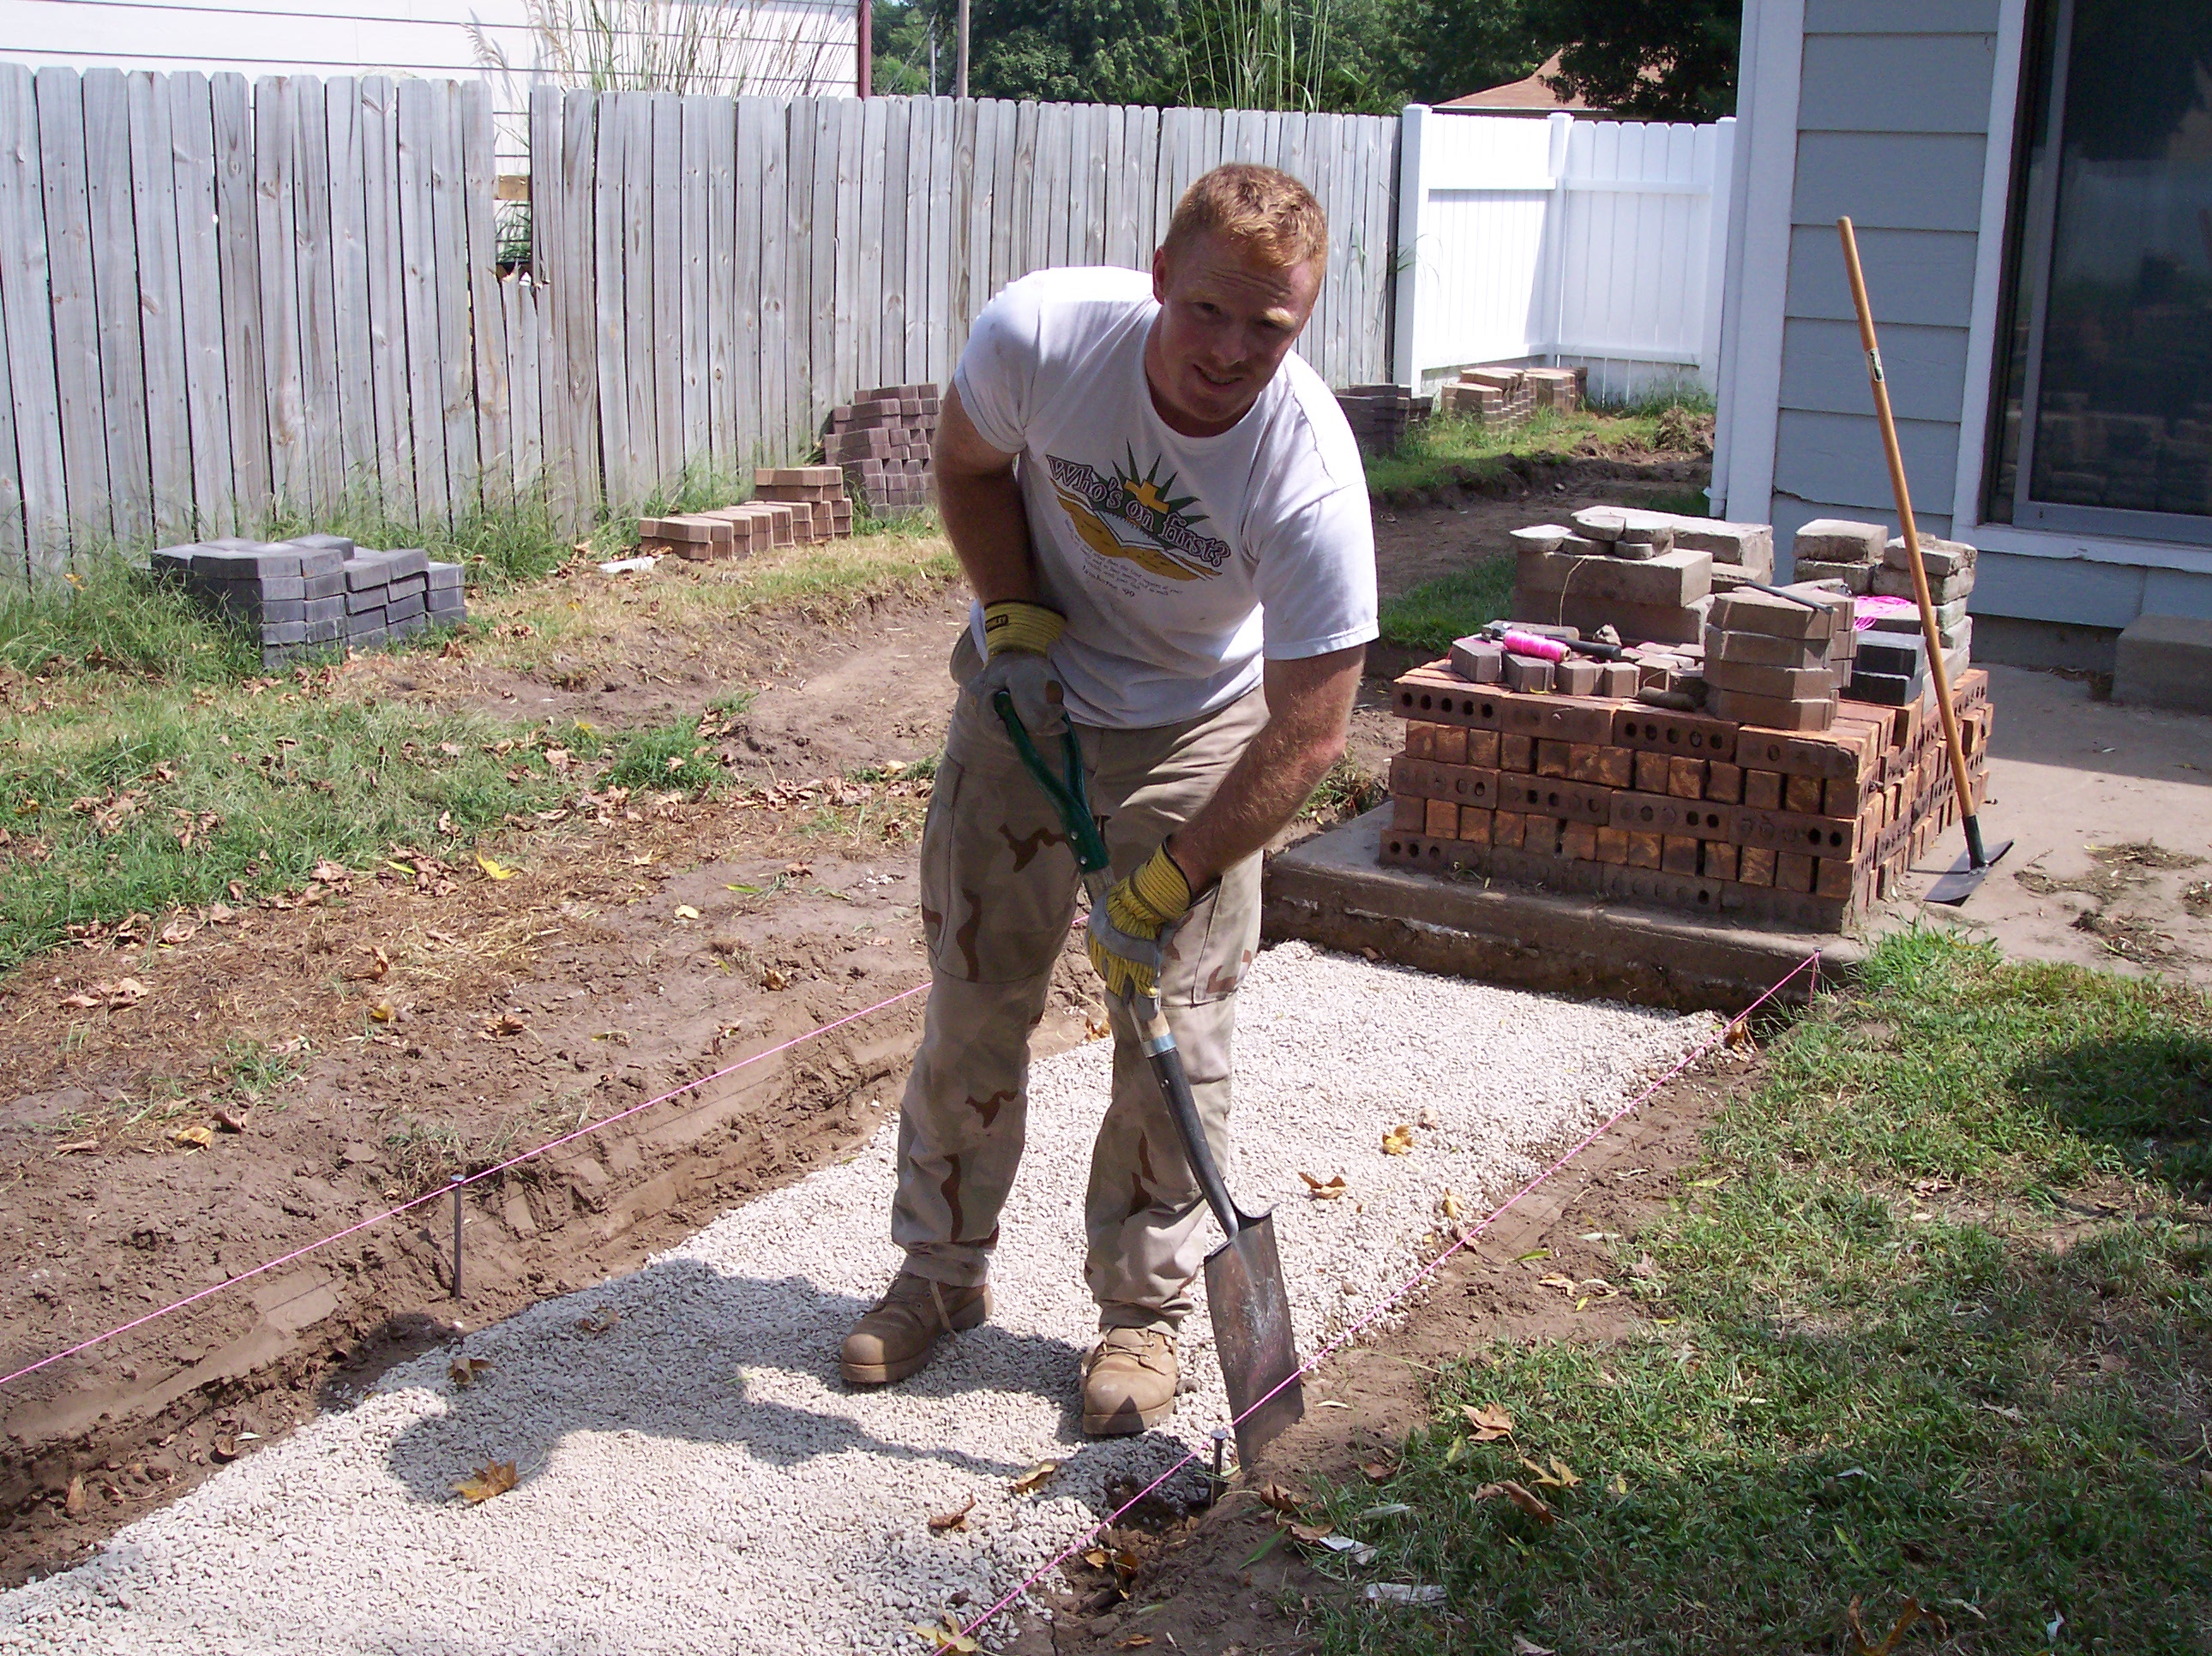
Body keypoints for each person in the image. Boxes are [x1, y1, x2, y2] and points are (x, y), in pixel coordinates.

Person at [839, 163, 1377, 1436]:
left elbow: (1309, 731)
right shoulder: (1042, 337)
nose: (1232, 351)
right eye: (1210, 312)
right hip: (1028, 702)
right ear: (1158, 281)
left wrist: (1168, 877)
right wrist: (1015, 624)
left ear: (1303, 325)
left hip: (1198, 731)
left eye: (1271, 328)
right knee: (976, 999)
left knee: (1172, 1032)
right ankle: (939, 1272)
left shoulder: (1307, 474)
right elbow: (969, 471)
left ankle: (1141, 1315)